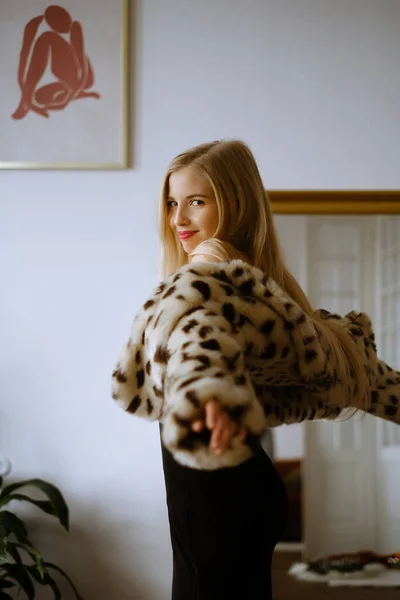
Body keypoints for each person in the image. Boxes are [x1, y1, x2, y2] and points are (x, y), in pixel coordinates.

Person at [154, 139, 365, 600]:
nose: (178, 219)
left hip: (215, 494)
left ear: (234, 203)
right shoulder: (256, 277)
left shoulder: (210, 264)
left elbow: (199, 335)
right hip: (234, 485)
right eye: (173, 202)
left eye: (196, 202)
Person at [12, 5, 100, 120]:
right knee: (39, 97)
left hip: (82, 80)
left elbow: (83, 71)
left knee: (47, 37)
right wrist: (23, 88)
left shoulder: (74, 27)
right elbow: (24, 53)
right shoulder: (34, 24)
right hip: (67, 80)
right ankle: (27, 98)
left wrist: (66, 100)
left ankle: (28, 99)